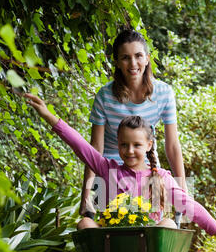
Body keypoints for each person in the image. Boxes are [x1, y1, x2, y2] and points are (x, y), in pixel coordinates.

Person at [24, 93, 216, 252]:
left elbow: (191, 207)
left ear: (149, 145)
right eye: (124, 145)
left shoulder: (161, 178)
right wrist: (48, 115)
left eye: (137, 145)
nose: (129, 151)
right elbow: (79, 145)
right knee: (86, 222)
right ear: (117, 145)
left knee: (168, 222)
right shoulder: (107, 170)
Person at [79, 29, 187, 227]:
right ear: (117, 63)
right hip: (111, 173)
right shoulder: (105, 96)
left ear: (147, 58)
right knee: (112, 230)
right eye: (125, 58)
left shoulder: (163, 93)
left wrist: (183, 192)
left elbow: (172, 146)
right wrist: (86, 194)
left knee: (152, 229)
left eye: (138, 56)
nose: (133, 64)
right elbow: (95, 148)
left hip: (147, 169)